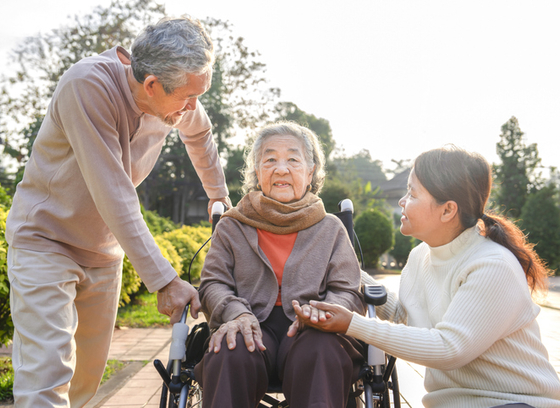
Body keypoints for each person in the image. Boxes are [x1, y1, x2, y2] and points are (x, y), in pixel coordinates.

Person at [6, 16, 230, 407]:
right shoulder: (88, 86)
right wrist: (164, 280)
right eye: (188, 98)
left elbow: (200, 134)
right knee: (46, 378)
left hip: (104, 251)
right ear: (151, 85)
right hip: (46, 242)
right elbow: (114, 193)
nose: (194, 107)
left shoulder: (175, 99)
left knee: (85, 383)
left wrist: (220, 199)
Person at [293, 146, 560, 408]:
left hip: (513, 402)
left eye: (412, 193)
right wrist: (341, 267)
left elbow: (449, 347)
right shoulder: (421, 256)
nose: (402, 201)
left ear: (447, 210)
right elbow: (407, 317)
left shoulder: (492, 266)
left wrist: (352, 323)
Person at [194, 121, 364, 408]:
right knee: (230, 347)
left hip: (311, 329)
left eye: (293, 160)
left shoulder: (330, 229)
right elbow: (213, 284)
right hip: (248, 320)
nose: (281, 169)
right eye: (270, 159)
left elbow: (348, 290)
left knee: (321, 350)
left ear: (310, 173)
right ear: (257, 173)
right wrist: (236, 314)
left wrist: (322, 314)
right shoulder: (232, 226)